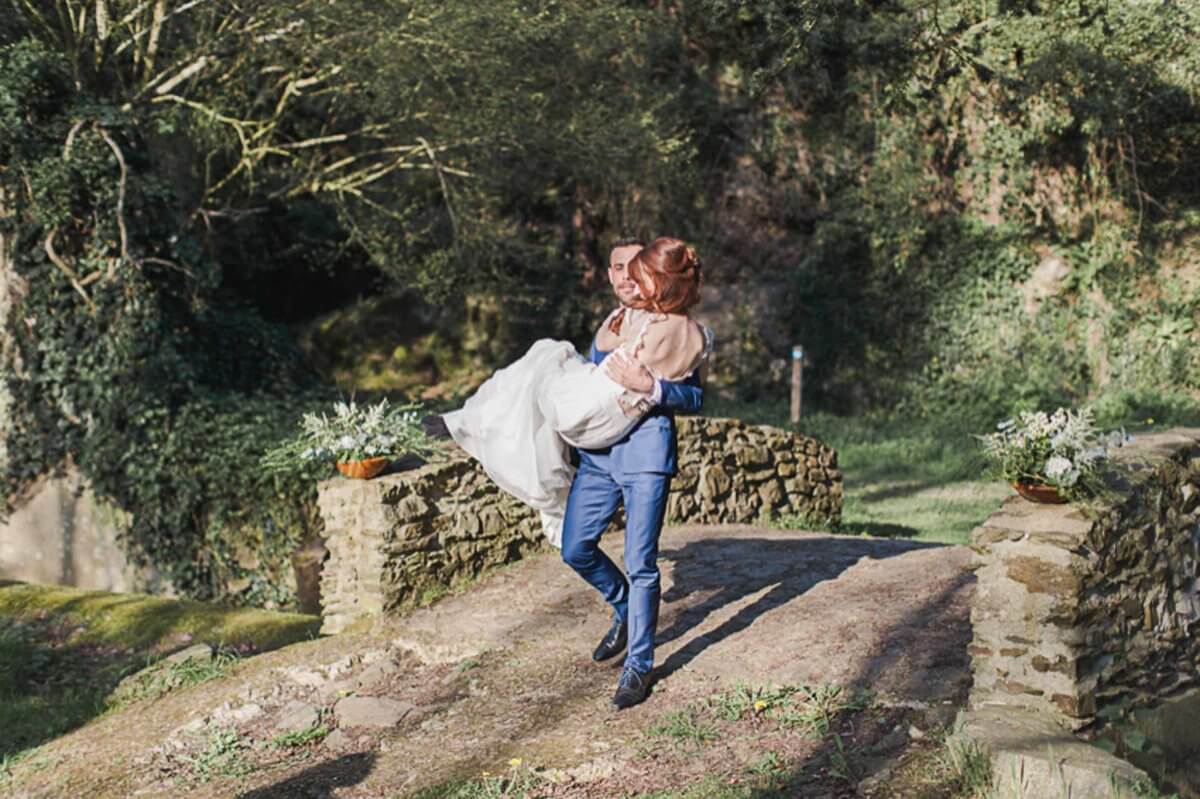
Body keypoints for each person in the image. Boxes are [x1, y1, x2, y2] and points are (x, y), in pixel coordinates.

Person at [558, 237, 707, 711]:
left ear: (651, 277)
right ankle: (623, 606)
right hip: (598, 460)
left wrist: (655, 387)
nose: (626, 277)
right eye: (618, 268)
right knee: (575, 547)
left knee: (642, 562)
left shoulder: (678, 331)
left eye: (635, 269)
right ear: (609, 274)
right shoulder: (610, 324)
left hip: (646, 457)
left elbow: (696, 398)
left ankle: (638, 666)